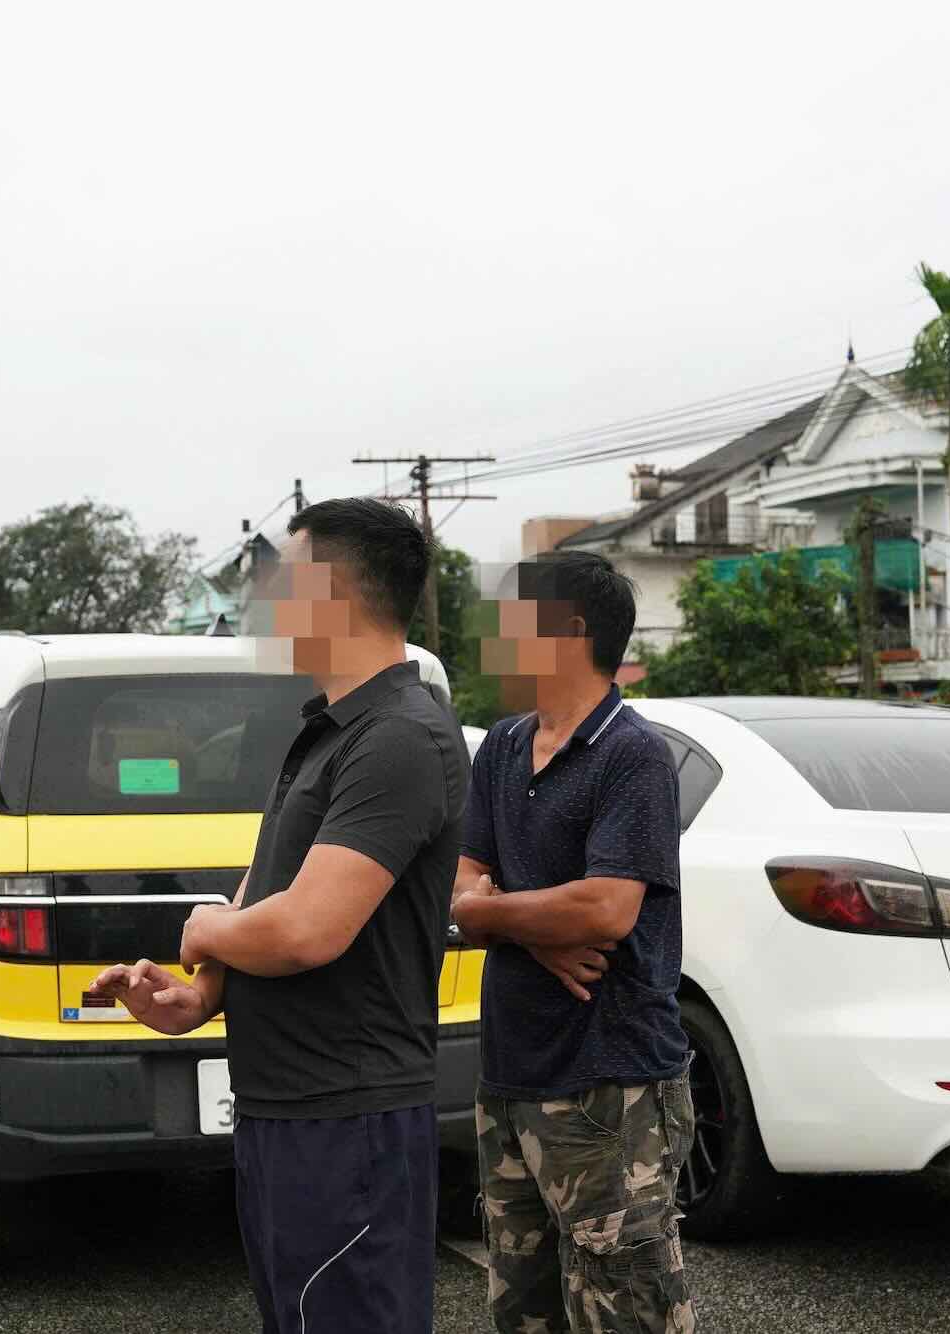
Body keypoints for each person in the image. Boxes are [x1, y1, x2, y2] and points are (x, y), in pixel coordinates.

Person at [88, 497, 468, 1334]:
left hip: (349, 1117)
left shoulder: (401, 736)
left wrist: (199, 930)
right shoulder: (330, 731)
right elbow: (268, 896)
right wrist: (198, 996)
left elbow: (306, 929)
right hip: (285, 1110)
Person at [450, 550, 695, 1334]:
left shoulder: (633, 753)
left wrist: (493, 915)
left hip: (609, 1081)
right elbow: (453, 891)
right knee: (522, 1307)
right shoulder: (502, 746)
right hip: (510, 1075)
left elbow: (606, 910)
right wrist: (518, 925)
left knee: (627, 1309)